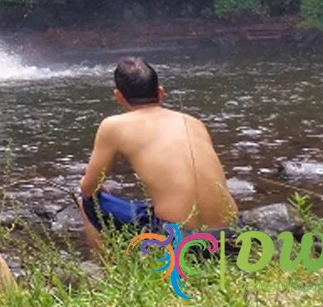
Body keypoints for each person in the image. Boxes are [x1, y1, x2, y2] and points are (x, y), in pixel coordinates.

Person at [77, 55, 238, 255]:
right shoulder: (193, 122)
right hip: (231, 235)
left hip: (183, 242)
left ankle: (110, 266)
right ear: (161, 92)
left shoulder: (113, 126)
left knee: (87, 201)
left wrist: (92, 186)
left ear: (118, 96)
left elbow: (88, 188)